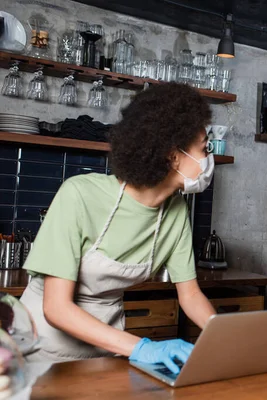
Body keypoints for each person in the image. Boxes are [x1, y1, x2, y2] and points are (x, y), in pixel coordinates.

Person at [19, 83, 216, 374]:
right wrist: (142, 348)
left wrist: (225, 335)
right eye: (204, 148)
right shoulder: (79, 194)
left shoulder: (175, 213)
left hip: (107, 350)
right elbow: (56, 307)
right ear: (174, 156)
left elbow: (190, 295)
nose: (209, 158)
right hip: (40, 350)